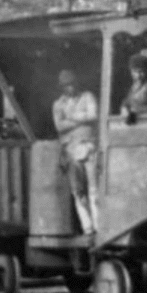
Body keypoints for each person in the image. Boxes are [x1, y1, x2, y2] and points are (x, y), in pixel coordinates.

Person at [52, 69, 101, 235]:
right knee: (78, 192)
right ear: (62, 87)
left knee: (95, 189)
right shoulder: (59, 104)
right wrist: (81, 118)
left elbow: (94, 115)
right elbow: (59, 126)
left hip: (89, 146)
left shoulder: (88, 96)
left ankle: (99, 226)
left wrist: (71, 117)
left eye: (72, 84)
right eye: (66, 85)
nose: (70, 88)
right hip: (71, 150)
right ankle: (87, 227)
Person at [122, 50, 147, 122]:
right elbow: (127, 103)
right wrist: (124, 108)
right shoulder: (133, 87)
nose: (138, 75)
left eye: (141, 71)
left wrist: (135, 110)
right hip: (135, 126)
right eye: (134, 71)